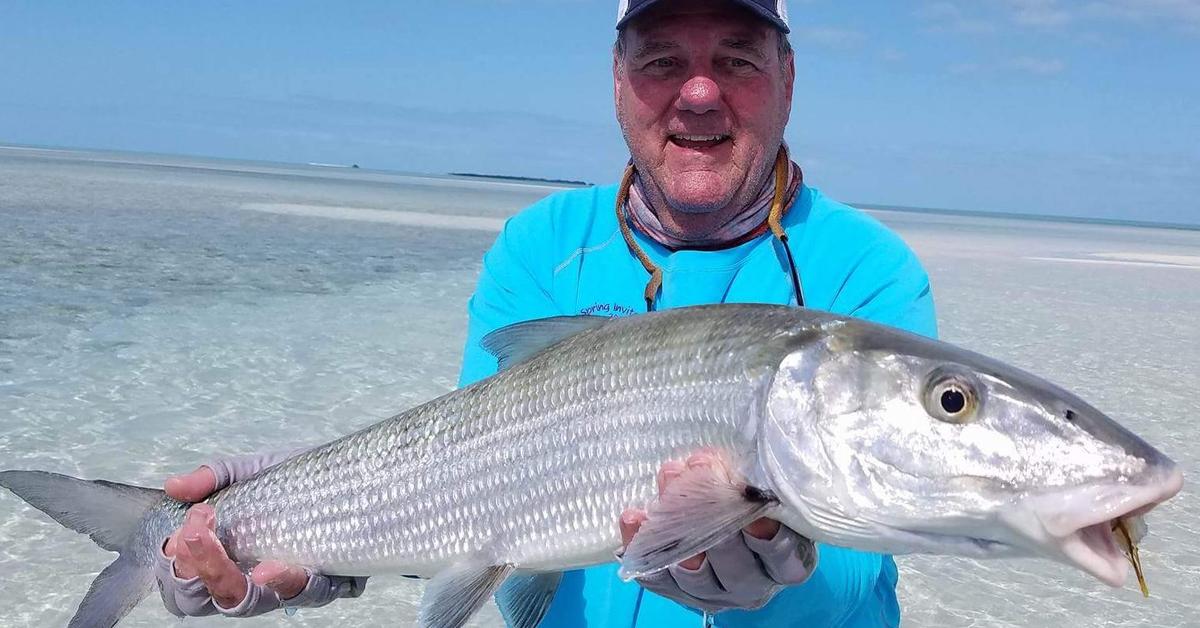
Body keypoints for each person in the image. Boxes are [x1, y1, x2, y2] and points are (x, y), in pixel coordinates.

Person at [155, 0, 937, 625]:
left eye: (737, 59)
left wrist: (776, 584)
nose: (699, 92)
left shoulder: (868, 272)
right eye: (663, 60)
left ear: (788, 79)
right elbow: (467, 481)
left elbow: (868, 551)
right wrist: (301, 535)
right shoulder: (539, 246)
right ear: (618, 80)